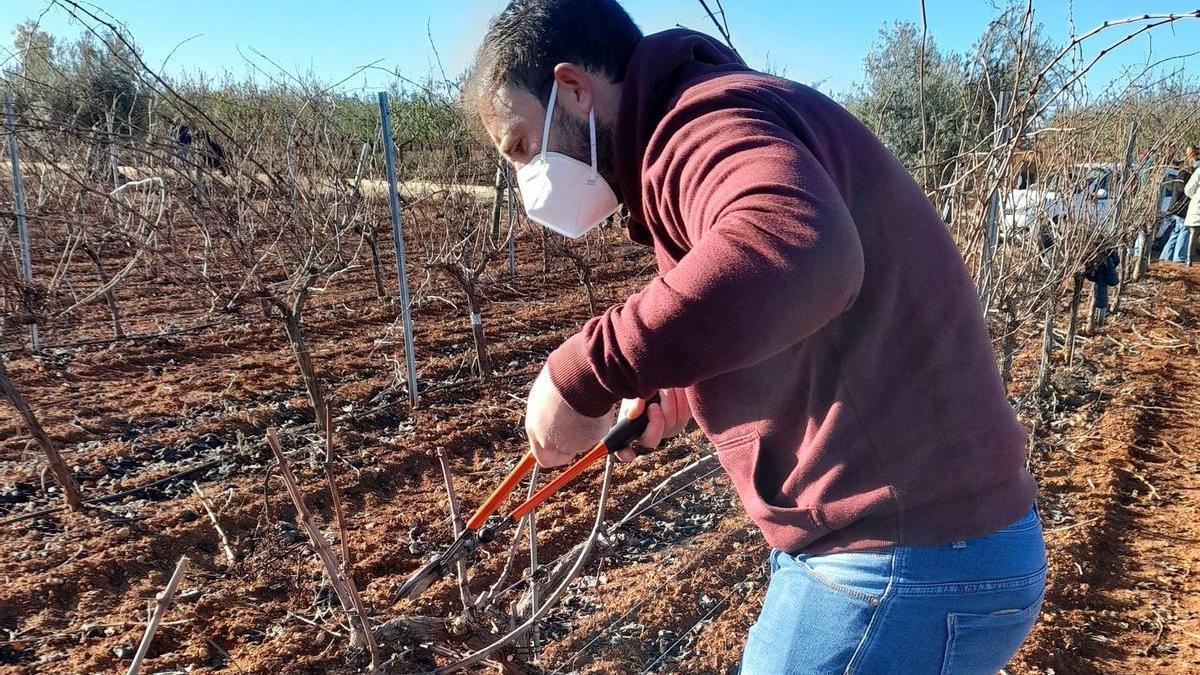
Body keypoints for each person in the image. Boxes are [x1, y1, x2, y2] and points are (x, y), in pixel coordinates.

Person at [463, 1, 1044, 672]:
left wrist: (585, 373)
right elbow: (800, 307)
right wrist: (681, 384)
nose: (526, 180)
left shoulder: (698, 125)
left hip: (899, 559)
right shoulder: (717, 117)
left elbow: (804, 247)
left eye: (522, 146)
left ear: (572, 89)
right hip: (947, 546)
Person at [1160, 150, 1194, 263]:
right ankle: (1178, 258)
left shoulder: (1182, 174)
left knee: (1176, 232)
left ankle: (1165, 256)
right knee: (1183, 231)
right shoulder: (1184, 175)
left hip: (1177, 208)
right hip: (1181, 209)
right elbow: (1183, 190)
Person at [1184, 145, 1200, 265]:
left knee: (1193, 234)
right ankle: (1189, 259)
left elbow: (1188, 189)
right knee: (1193, 233)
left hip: (1197, 205)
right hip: (1197, 207)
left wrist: (1195, 196)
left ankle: (1189, 259)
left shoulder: (1198, 171)